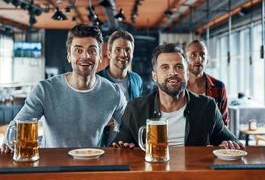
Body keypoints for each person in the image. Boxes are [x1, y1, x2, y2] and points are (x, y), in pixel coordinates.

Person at [1, 24, 127, 152]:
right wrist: (9, 144)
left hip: (91, 164)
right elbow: (15, 129)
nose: (85, 56)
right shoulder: (45, 90)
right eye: (78, 50)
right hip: (51, 167)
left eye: (92, 50)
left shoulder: (114, 93)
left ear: (100, 56)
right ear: (68, 55)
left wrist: (122, 142)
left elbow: (130, 130)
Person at [112, 43, 244, 149]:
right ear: (154, 76)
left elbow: (232, 142)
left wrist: (229, 145)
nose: (173, 72)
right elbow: (119, 147)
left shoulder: (207, 106)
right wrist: (122, 147)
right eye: (165, 67)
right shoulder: (135, 109)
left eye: (179, 67)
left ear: (187, 73)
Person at [185, 40, 229, 126]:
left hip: (212, 138)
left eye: (202, 54)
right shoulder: (178, 87)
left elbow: (223, 122)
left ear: (207, 59)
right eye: (193, 54)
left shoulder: (219, 87)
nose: (199, 59)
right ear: (185, 59)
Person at [97, 30, 143, 101]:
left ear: (132, 54)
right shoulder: (96, 80)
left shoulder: (137, 80)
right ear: (109, 54)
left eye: (127, 50)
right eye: (118, 50)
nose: (123, 54)